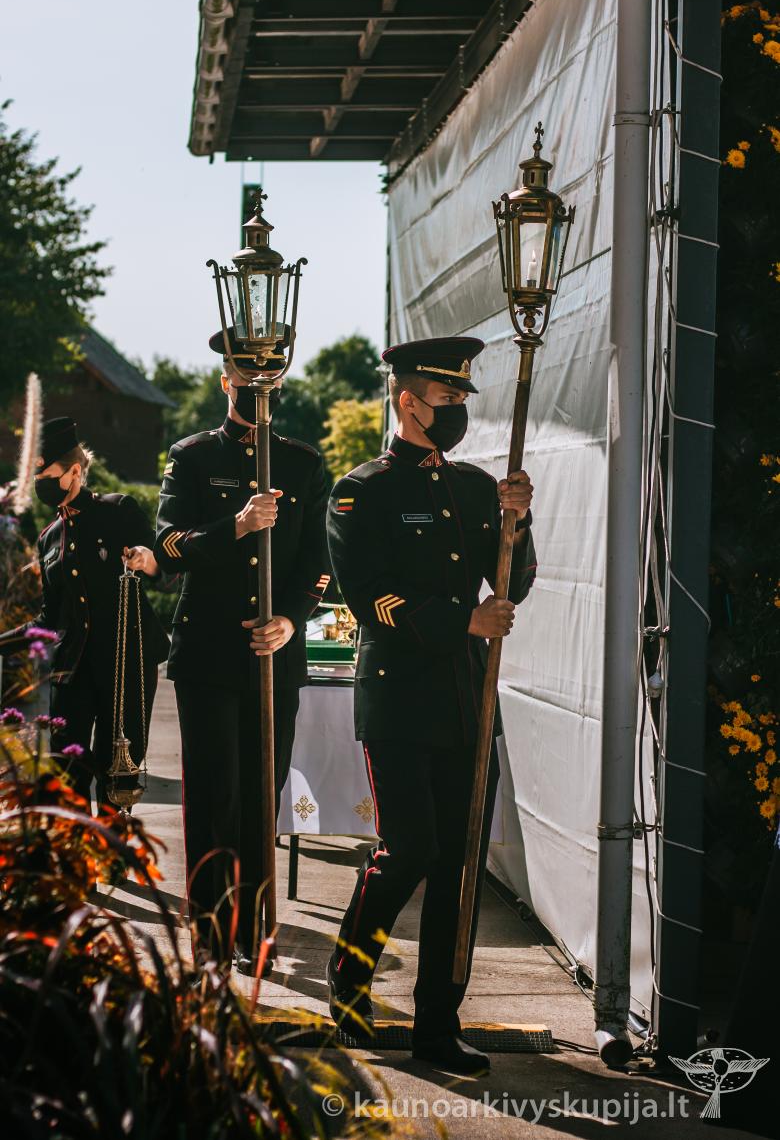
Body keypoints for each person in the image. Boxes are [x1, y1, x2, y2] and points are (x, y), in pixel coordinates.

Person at [325, 336, 537, 1075]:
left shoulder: (476, 488)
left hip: (465, 698)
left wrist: (517, 524)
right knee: (410, 848)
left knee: (460, 863)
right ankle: (350, 975)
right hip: (399, 695)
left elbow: (514, 580)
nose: (456, 413)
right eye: (447, 400)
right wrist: (461, 621)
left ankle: (437, 1024)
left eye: (460, 401)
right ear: (408, 400)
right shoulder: (361, 491)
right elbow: (369, 598)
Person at [154, 332, 330, 975]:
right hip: (208, 654)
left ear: (278, 383)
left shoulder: (303, 463)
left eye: (268, 379)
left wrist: (290, 620)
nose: (257, 389)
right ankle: (210, 936)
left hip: (273, 656)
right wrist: (236, 525)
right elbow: (168, 545)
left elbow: (318, 561)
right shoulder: (193, 456)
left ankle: (256, 932)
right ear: (225, 380)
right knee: (215, 797)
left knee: (262, 796)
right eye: (245, 377)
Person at [0, 416, 169, 807]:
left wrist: (147, 560)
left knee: (118, 772)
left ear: (75, 471)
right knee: (66, 772)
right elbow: (49, 619)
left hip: (125, 666)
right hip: (72, 671)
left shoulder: (118, 510)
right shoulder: (49, 539)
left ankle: (111, 845)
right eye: (37, 477)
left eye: (49, 476)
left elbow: (165, 571)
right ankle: (77, 844)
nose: (42, 484)